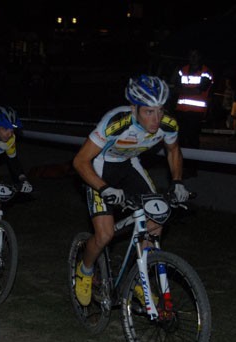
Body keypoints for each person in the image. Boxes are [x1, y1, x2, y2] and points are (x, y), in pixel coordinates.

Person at [72, 75, 190, 306]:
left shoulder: (168, 123)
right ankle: (85, 271)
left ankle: (138, 276)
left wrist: (177, 182)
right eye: (148, 112)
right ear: (134, 108)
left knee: (156, 220)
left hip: (129, 165)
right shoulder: (116, 121)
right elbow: (80, 161)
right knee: (105, 235)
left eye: (160, 111)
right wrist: (104, 188)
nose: (156, 119)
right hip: (100, 166)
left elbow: (173, 150)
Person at [172, 49, 213, 177]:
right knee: (181, 140)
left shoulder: (206, 72)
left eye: (196, 55)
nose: (193, 58)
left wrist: (183, 90)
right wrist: (189, 90)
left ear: (200, 57)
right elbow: (175, 86)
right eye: (191, 55)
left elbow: (199, 90)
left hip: (196, 112)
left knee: (193, 140)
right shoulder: (182, 70)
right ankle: (181, 167)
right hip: (181, 111)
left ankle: (192, 168)